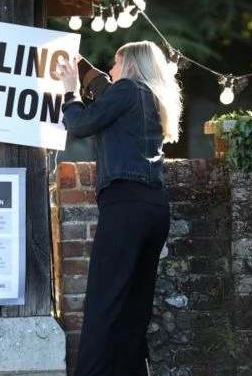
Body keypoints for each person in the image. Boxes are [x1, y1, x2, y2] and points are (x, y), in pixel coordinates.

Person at [58, 41, 183, 375]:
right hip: (155, 208)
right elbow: (100, 87)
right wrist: (74, 61)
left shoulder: (127, 89)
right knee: (132, 309)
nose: (110, 70)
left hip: (125, 205)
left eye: (115, 63)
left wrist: (69, 93)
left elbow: (81, 124)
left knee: (103, 304)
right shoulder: (151, 97)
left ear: (129, 66)